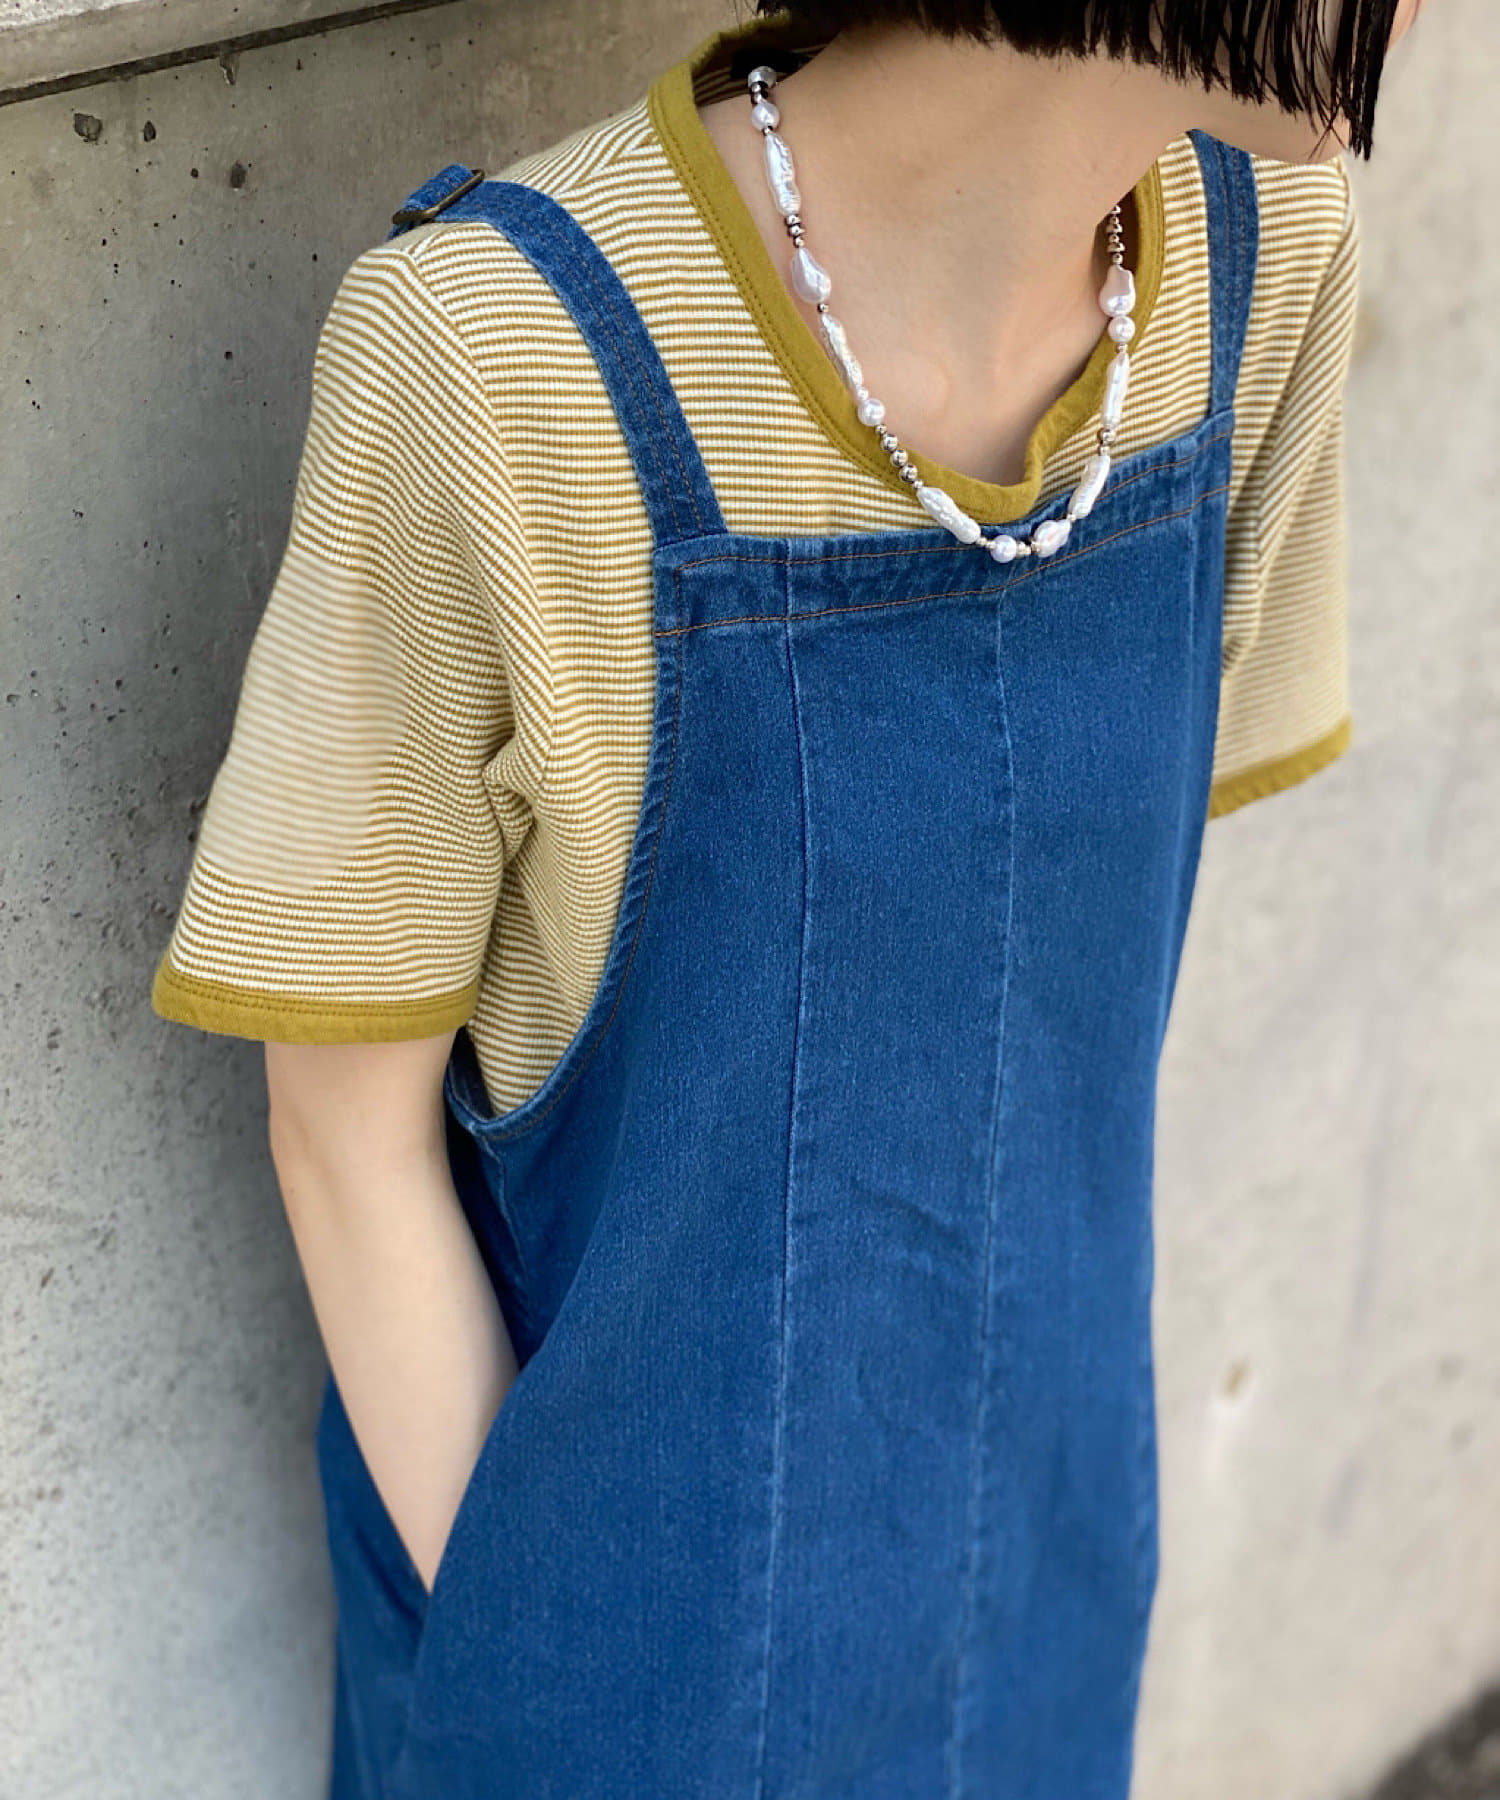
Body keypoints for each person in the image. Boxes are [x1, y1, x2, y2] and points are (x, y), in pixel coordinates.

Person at [149, 1, 1431, 1794]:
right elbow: (339, 1138)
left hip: (1033, 1592)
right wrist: (565, 1701)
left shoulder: (1261, 264)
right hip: (603, 1673)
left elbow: (1036, 1015)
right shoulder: (501, 358)